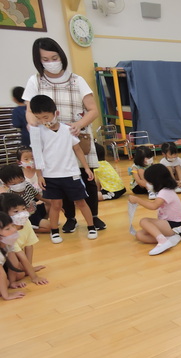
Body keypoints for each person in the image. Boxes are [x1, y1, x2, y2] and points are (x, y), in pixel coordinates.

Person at [23, 38, 106, 233]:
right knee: (60, 180)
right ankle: (70, 218)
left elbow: (93, 110)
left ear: (61, 56)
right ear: (39, 60)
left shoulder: (77, 80)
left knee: (88, 180)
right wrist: (33, 123)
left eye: (54, 57)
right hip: (51, 142)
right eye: (46, 59)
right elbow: (29, 110)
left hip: (76, 135)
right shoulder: (35, 80)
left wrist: (78, 125)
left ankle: (93, 216)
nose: (51, 62)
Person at [29, 94, 97, 244]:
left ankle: (91, 227)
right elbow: (37, 155)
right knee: (56, 205)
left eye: (46, 117)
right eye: (39, 118)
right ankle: (54, 231)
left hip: (71, 173)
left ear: (56, 113)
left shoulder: (67, 130)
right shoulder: (38, 132)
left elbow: (77, 149)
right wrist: (40, 175)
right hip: (50, 176)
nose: (43, 121)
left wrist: (86, 168)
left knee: (81, 202)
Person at [129, 164, 181, 256]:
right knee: (139, 235)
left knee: (144, 221)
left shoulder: (165, 191)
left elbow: (153, 206)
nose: (147, 184)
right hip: (169, 225)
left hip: (176, 225)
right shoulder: (164, 190)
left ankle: (163, 240)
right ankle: (169, 239)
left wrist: (137, 200)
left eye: (149, 182)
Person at [0, 193, 47, 286]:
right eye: (16, 211)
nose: (21, 213)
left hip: (12, 257)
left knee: (21, 270)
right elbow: (20, 256)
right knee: (19, 274)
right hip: (4, 261)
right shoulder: (8, 231)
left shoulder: (26, 222)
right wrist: (34, 277)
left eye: (23, 209)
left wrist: (30, 267)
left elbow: (29, 245)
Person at [0, 164, 49, 233]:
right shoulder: (9, 196)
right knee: (49, 227)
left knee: (50, 205)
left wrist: (52, 202)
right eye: (14, 184)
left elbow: (38, 195)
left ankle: (41, 221)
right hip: (25, 217)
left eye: (21, 181)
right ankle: (31, 229)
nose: (19, 185)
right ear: (6, 185)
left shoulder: (27, 185)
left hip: (34, 210)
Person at [0, 212, 25, 300]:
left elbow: (13, 262)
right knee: (4, 283)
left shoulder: (7, 242)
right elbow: (0, 273)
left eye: (13, 225)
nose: (13, 230)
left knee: (19, 274)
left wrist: (12, 282)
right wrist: (6, 295)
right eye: (7, 229)